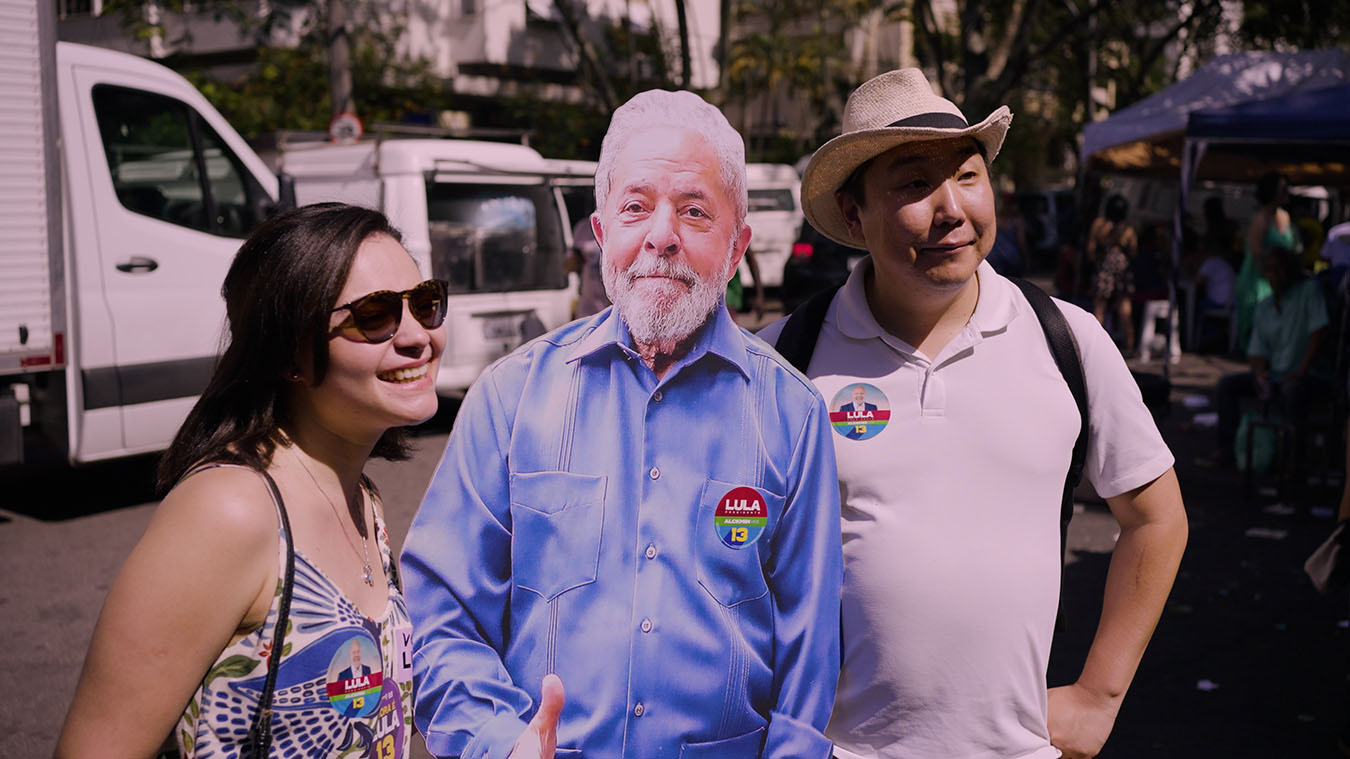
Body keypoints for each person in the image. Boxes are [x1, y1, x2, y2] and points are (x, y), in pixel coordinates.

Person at [759, 68, 1188, 759]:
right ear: (852, 214)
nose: (950, 207)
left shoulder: (1067, 340)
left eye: (966, 175)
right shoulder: (785, 359)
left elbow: (1157, 516)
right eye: (912, 184)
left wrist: (1099, 694)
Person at [401, 89, 843, 759]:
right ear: (603, 235)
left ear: (736, 248)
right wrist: (499, 741)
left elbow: (809, 655)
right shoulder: (510, 398)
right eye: (636, 208)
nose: (661, 235)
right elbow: (441, 618)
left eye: (694, 211)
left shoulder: (793, 413)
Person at [55, 203, 447, 758]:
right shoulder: (228, 511)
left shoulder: (362, 498)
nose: (417, 336)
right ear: (289, 353)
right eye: (375, 315)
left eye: (426, 303)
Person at [1212, 246, 1329, 472]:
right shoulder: (1265, 306)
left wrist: (1300, 371)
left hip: (1308, 375)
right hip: (1277, 374)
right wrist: (1260, 375)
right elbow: (1257, 350)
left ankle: (1293, 463)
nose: (1274, 275)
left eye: (1278, 269)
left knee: (1293, 391)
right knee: (1227, 385)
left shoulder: (1309, 292)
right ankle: (1229, 452)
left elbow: (1319, 333)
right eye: (1269, 271)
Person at [1235, 172, 1300, 353]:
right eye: (1282, 189)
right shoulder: (1260, 219)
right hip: (1258, 282)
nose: (1287, 192)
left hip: (1280, 282)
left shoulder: (1284, 217)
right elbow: (1257, 255)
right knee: (1258, 333)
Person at [1086, 194, 1138, 354]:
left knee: (1099, 308)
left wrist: (1098, 260)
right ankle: (1130, 345)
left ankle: (1095, 348)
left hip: (1104, 266)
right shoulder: (1128, 228)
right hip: (1122, 267)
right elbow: (1134, 250)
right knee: (1124, 308)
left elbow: (1091, 250)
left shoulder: (1099, 225)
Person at [569, 215, 611, 318]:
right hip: (588, 309)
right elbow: (568, 266)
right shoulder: (584, 227)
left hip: (613, 310)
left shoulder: (618, 222)